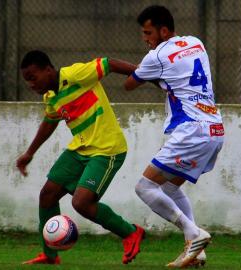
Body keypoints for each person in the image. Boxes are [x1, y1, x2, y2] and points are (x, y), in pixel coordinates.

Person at [17, 50, 145, 265]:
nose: (30, 84)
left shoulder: (75, 74)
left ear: (48, 70)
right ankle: (50, 255)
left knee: (82, 203)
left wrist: (143, 74)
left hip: (107, 149)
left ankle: (131, 233)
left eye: (32, 77)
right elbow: (49, 122)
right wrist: (29, 153)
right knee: (47, 195)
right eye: (26, 80)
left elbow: (109, 63)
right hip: (80, 149)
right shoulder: (51, 96)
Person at [123, 5, 225, 268]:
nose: (145, 38)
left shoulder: (156, 56)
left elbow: (130, 84)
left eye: (148, 33)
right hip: (214, 129)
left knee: (144, 187)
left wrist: (137, 69)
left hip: (191, 130)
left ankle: (194, 234)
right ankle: (196, 251)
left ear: (163, 30)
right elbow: (177, 77)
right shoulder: (195, 42)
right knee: (169, 187)